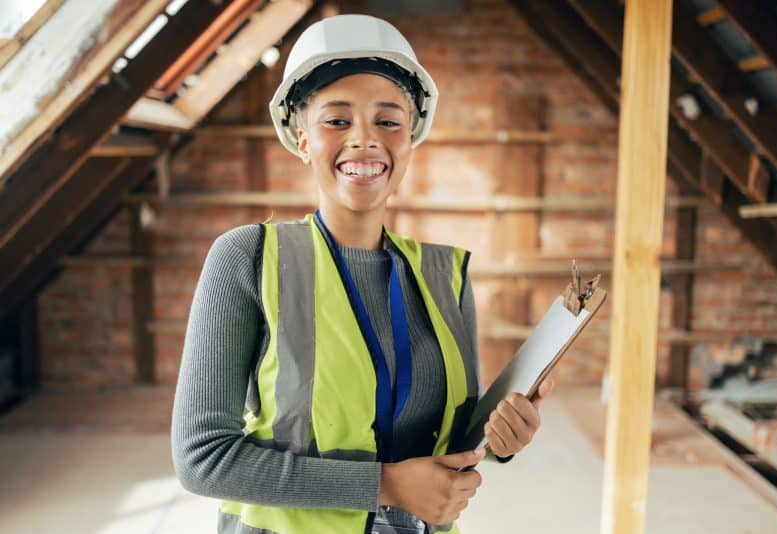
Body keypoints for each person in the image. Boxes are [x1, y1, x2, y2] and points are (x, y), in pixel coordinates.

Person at [171, 14, 553, 534]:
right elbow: (203, 459)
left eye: (388, 120)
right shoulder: (249, 258)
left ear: (410, 142)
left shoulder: (445, 276)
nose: (365, 140)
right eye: (337, 120)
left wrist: (501, 437)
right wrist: (385, 486)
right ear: (302, 138)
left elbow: (452, 441)